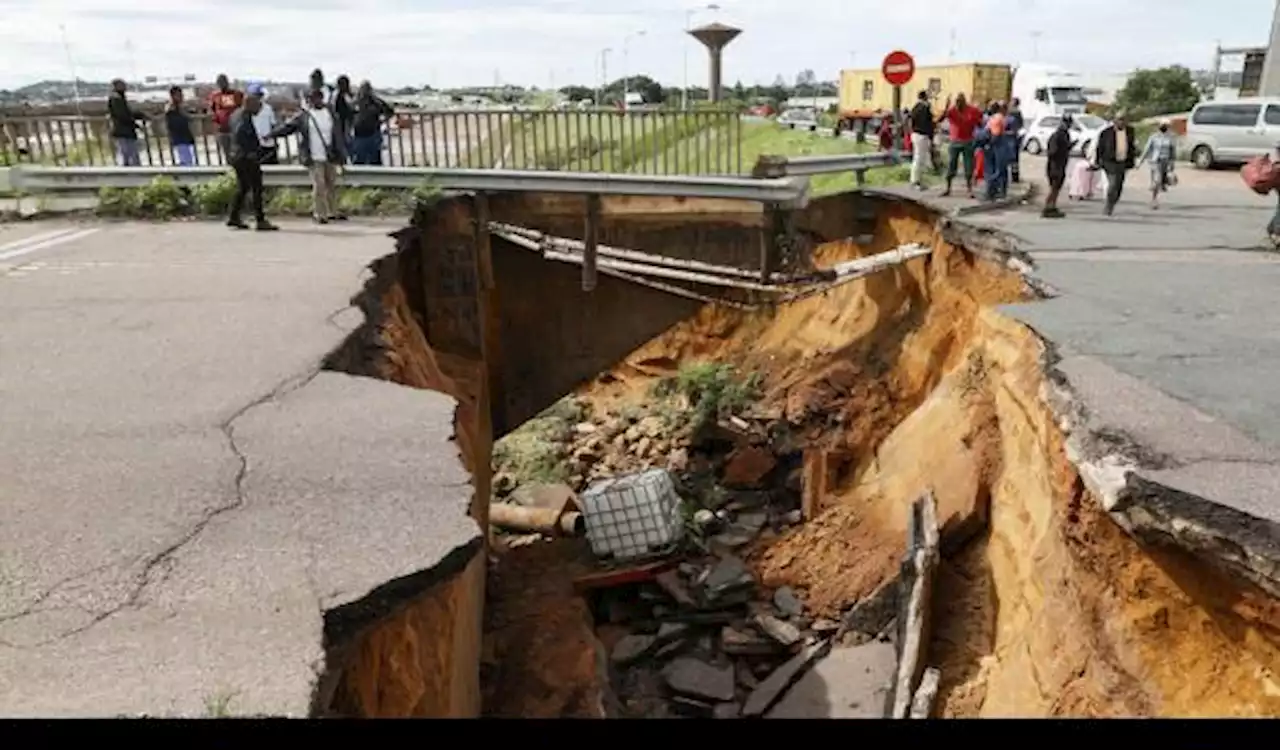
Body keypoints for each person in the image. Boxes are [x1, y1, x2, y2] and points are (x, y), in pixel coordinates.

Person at [268, 88, 349, 224]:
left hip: (329, 155)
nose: (314, 102)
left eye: (316, 98)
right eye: (311, 99)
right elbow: (288, 128)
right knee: (319, 186)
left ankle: (333, 211)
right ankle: (319, 214)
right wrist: (272, 134)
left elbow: (338, 135)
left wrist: (341, 153)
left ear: (321, 98)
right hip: (313, 155)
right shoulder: (304, 116)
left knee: (331, 185)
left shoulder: (330, 114)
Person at [225, 90, 277, 231]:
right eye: (258, 105)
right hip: (246, 157)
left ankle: (233, 216)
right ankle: (260, 220)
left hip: (235, 155)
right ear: (249, 104)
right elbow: (242, 133)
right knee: (256, 187)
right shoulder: (244, 118)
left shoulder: (235, 114)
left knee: (243, 187)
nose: (260, 109)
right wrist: (253, 151)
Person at [1093, 111, 1138, 216]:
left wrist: (1132, 159)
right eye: (1120, 119)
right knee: (1112, 184)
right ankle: (1108, 206)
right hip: (1110, 162)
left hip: (1123, 162)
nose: (1122, 122)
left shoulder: (1130, 131)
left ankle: (1112, 202)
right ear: (1115, 120)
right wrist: (1097, 161)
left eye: (1124, 119)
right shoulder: (1106, 132)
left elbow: (1132, 146)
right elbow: (1100, 148)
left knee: (1118, 185)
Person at [939, 93, 982, 198]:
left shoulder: (972, 110)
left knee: (969, 166)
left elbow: (980, 124)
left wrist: (975, 123)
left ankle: (969, 190)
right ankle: (948, 188)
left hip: (968, 141)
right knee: (951, 165)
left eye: (960, 102)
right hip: (955, 142)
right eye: (956, 102)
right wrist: (946, 107)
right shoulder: (952, 110)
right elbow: (939, 120)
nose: (958, 104)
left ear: (964, 101)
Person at [1136, 119, 1177, 210]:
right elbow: (1147, 150)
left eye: (1166, 125)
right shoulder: (1154, 137)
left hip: (1165, 161)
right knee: (1157, 180)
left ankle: (1159, 187)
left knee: (1161, 181)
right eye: (1162, 125)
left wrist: (1172, 164)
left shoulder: (1171, 137)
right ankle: (1154, 199)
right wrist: (1140, 161)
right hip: (1155, 161)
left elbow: (1173, 152)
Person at [351, 81, 395, 166]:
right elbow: (349, 114)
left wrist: (382, 121)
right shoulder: (355, 102)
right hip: (359, 135)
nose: (365, 91)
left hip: (373, 134)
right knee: (359, 161)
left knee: (375, 161)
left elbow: (390, 111)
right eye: (363, 89)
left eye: (367, 89)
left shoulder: (376, 102)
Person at [107, 78, 148, 166]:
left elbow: (127, 113)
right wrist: (136, 124)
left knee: (127, 153)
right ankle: (130, 172)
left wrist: (140, 115)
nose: (125, 87)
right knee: (128, 153)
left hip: (124, 130)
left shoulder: (119, 98)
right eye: (122, 85)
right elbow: (123, 115)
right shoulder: (116, 99)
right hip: (123, 131)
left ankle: (130, 169)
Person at [207, 74, 244, 165]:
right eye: (220, 83)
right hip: (222, 129)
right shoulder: (215, 96)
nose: (222, 84)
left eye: (224, 82)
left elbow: (242, 108)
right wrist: (215, 120)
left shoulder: (236, 94)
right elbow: (212, 110)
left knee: (238, 152)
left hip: (236, 129)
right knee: (228, 154)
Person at [1042, 114, 1074, 218]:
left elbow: (1065, 147)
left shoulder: (1065, 134)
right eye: (1066, 122)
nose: (1068, 125)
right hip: (1054, 166)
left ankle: (1052, 206)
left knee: (1057, 187)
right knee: (1054, 187)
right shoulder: (1057, 135)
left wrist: (1069, 146)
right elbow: (1052, 151)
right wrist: (1062, 151)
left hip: (1061, 164)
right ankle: (1047, 207)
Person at [907, 91, 934, 191]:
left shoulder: (915, 107)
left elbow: (910, 120)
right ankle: (915, 182)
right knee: (919, 159)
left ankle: (918, 181)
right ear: (925, 97)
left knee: (919, 158)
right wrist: (930, 135)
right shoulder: (924, 108)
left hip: (915, 134)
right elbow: (928, 123)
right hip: (921, 135)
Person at [248, 83, 281, 165]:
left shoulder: (268, 109)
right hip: (256, 146)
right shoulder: (248, 111)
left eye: (259, 95)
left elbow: (273, 125)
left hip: (269, 144)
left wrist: (273, 138)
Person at [164, 86, 197, 167]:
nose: (181, 97)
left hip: (186, 135)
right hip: (178, 137)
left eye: (181, 95)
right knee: (184, 158)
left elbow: (190, 116)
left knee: (190, 157)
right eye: (178, 95)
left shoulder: (183, 106)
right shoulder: (170, 107)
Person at [333, 75, 356, 160]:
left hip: (343, 123)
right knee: (347, 143)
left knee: (345, 143)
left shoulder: (337, 95)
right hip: (344, 123)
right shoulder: (345, 95)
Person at [1006, 98, 1025, 184]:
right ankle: (1015, 177)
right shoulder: (1018, 113)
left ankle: (1010, 177)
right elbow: (1021, 125)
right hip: (1015, 139)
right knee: (1015, 160)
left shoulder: (1010, 113)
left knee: (1008, 159)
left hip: (1009, 139)